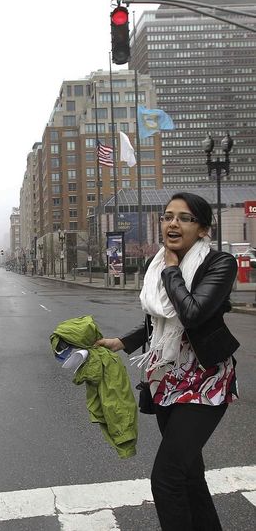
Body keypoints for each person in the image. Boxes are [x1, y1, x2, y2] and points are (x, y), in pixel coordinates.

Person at [96, 192, 239, 531]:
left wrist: (172, 270)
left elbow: (191, 314)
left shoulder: (218, 264)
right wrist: (122, 342)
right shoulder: (158, 264)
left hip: (205, 383)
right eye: (167, 216)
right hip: (164, 382)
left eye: (184, 217)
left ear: (203, 228)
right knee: (190, 477)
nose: (173, 223)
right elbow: (156, 323)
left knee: (166, 478)